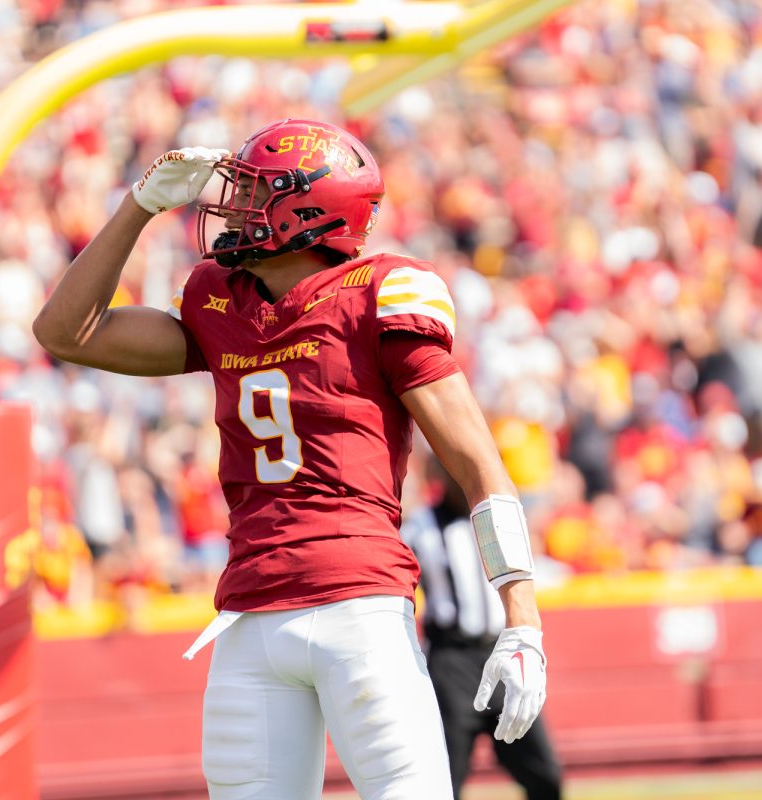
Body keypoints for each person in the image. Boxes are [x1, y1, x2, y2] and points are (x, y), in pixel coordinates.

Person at [33, 119, 548, 799]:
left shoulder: (379, 294)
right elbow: (66, 331)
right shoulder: (222, 302)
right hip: (249, 614)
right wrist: (138, 206)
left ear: (306, 213)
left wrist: (523, 620)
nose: (234, 208)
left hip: (359, 604)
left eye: (255, 192)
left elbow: (479, 464)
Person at [404, 459, 563, 800]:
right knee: (444, 779)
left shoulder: (500, 517)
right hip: (451, 661)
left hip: (500, 651)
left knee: (544, 776)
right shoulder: (422, 526)